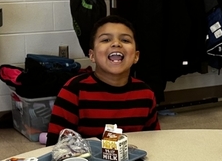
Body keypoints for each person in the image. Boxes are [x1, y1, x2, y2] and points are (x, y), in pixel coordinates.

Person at [47, 14, 160, 142]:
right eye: (106, 40)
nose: (116, 43)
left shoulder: (145, 94)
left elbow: (153, 141)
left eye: (125, 40)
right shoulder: (74, 91)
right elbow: (55, 146)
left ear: (136, 56)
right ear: (92, 55)